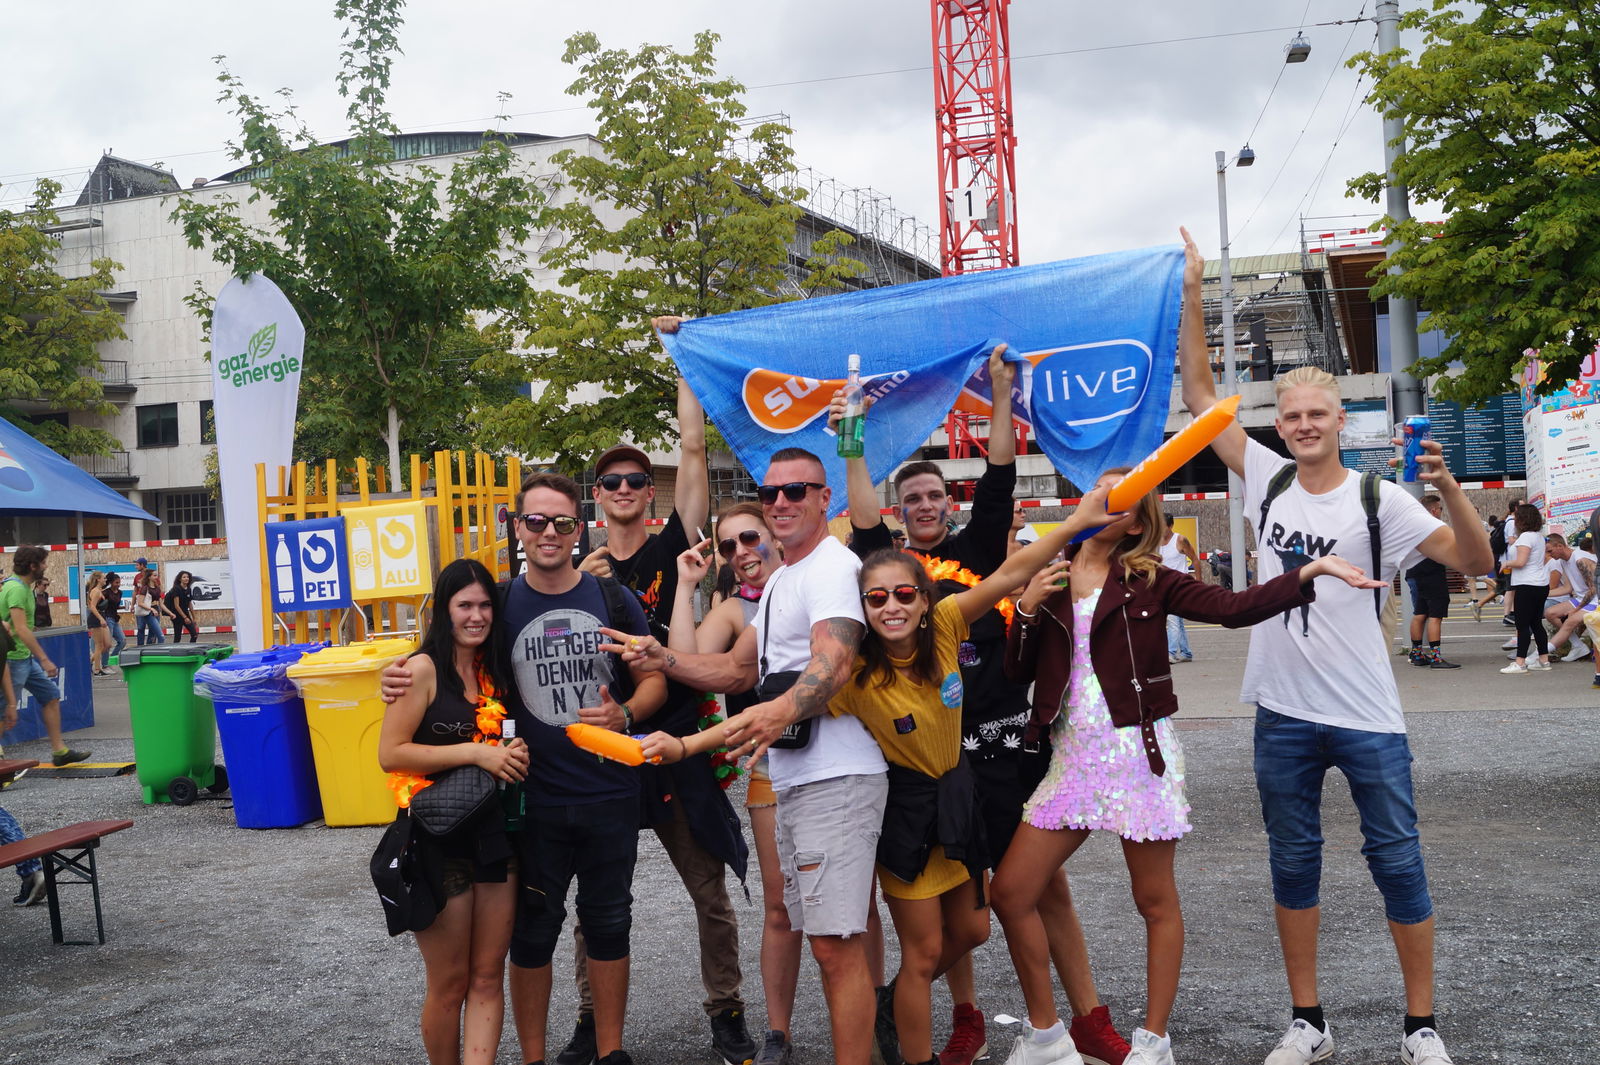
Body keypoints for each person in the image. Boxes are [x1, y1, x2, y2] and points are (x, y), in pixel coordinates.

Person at [651, 486, 1123, 1065]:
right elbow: (762, 714)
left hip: (959, 797)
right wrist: (684, 745)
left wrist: (1074, 523)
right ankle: (911, 1039)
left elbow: (1010, 572)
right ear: (865, 611)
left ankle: (893, 997)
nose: (891, 606)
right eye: (876, 599)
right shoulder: (855, 677)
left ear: (926, 599)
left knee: (974, 931)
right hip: (910, 814)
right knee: (923, 956)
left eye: (904, 594)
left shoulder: (947, 625)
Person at [1176, 225, 1492, 1065]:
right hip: (1281, 710)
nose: (1306, 424)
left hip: (1365, 712)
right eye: (1292, 415)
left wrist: (1452, 489)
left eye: (1318, 413)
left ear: (1340, 421)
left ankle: (1421, 1026)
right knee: (1293, 862)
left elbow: (1475, 561)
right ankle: (1307, 1019)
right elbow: (1203, 392)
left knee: (1398, 859)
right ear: (1277, 425)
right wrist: (1190, 290)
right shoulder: (1265, 477)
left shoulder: (1378, 497)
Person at [994, 468, 1375, 1065]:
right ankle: (1046, 1037)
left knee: (1154, 901)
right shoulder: (1053, 573)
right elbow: (1018, 672)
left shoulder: (1150, 580)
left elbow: (1231, 607)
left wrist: (1309, 572)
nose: (1111, 508)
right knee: (1012, 891)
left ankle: (1154, 1042)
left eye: (1126, 504)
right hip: (1070, 763)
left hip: (1138, 757)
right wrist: (1027, 608)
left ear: (1138, 521)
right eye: (1105, 496)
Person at [839, 358, 1129, 1065]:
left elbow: (1000, 471)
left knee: (1035, 888)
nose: (926, 504)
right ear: (901, 511)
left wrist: (1001, 392)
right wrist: (852, 428)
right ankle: (970, 1016)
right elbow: (859, 502)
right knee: (960, 905)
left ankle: (1079, 1019)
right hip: (940, 762)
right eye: (912, 498)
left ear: (949, 500)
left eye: (936, 493)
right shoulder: (890, 572)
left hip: (1006, 749)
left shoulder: (974, 550)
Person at [605, 448, 882, 1065]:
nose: (782, 502)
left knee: (837, 945)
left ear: (822, 499)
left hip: (834, 775)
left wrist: (767, 720)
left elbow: (833, 661)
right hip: (797, 773)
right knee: (822, 933)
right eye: (772, 492)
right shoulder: (785, 577)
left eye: (796, 492)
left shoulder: (832, 567)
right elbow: (734, 670)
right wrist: (662, 658)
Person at [384, 471, 667, 1065]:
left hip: (609, 791)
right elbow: (446, 652)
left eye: (562, 522)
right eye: (535, 520)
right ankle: (534, 1057)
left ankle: (611, 1052)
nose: (549, 532)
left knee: (611, 921)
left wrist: (629, 712)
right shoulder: (501, 601)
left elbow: (654, 679)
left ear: (578, 528)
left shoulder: (611, 599)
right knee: (533, 932)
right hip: (530, 802)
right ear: (517, 528)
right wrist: (397, 672)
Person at [565, 318, 754, 1065]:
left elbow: (695, 448)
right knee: (598, 902)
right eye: (609, 482)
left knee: (708, 889)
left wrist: (679, 355)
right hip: (604, 744)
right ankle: (588, 1019)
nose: (622, 489)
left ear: (651, 493)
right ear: (596, 497)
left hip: (675, 736)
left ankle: (728, 1011)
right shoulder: (573, 567)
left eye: (634, 480)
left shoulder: (676, 542)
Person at [377, 558, 529, 1065]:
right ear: (444, 610)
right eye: (465, 605)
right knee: (450, 983)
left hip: (493, 837)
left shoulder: (494, 671)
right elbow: (391, 753)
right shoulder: (420, 670)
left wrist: (511, 755)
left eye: (485, 604)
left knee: (488, 975)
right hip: (437, 840)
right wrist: (476, 752)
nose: (477, 615)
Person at [667, 502, 800, 1065]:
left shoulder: (812, 584)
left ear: (775, 534)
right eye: (728, 546)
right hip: (769, 765)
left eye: (750, 538)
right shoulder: (731, 610)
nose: (741, 552)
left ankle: (871, 1010)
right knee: (779, 905)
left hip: (837, 758)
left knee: (855, 907)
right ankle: (775, 1033)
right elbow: (683, 660)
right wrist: (684, 585)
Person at [3, 546, 90, 766]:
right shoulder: (16, 589)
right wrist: (44, 658)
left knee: (50, 695)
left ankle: (59, 751)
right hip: (12, 658)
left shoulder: (24, 588)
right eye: (43, 562)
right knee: (5, 712)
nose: (46, 566)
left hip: (23, 657)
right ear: (32, 566)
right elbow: (21, 629)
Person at [1403, 497, 1460, 669]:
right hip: (1433, 574)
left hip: (1415, 573)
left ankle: (1417, 653)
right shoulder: (1434, 527)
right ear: (1434, 510)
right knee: (1436, 616)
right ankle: (1436, 657)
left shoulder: (1412, 527)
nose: (1441, 512)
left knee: (1420, 613)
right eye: (1440, 509)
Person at [1500, 504, 1553, 674]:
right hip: (1540, 583)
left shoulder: (1524, 538)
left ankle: (1520, 662)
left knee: (1522, 625)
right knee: (1536, 623)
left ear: (1521, 520)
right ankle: (1543, 660)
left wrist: (1507, 563)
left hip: (1526, 584)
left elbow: (1521, 562)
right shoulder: (1538, 536)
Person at [1544, 535, 1596, 662]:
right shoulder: (1563, 561)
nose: (1548, 555)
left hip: (1596, 599)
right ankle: (1578, 646)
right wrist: (1542, 594)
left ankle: (1540, 654)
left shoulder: (1580, 559)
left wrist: (1576, 609)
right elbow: (1567, 588)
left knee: (1570, 620)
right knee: (1550, 613)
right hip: (1583, 597)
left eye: (1550, 551)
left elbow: (1594, 589)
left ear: (1560, 546)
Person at [1158, 515, 1200, 664]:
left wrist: (1198, 583)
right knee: (1178, 620)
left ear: (1170, 526)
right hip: (1162, 586)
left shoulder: (1180, 540)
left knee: (1172, 620)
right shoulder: (1155, 542)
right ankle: (1186, 652)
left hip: (1178, 586)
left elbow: (1195, 559)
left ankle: (1170, 652)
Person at [83, 571, 113, 675]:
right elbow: (92, 607)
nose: (105, 580)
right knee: (99, 645)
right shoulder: (95, 591)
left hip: (101, 617)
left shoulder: (99, 590)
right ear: (98, 579)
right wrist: (100, 619)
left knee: (107, 645)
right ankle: (97, 670)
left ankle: (89, 662)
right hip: (96, 618)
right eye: (104, 578)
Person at [166, 571, 199, 643]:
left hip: (185, 613)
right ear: (180, 579)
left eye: (187, 577)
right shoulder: (176, 589)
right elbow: (176, 606)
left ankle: (191, 650)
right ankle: (175, 652)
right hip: (177, 615)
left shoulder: (189, 589)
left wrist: (194, 618)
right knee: (178, 637)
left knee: (194, 634)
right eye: (184, 577)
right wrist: (185, 617)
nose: (186, 578)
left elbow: (190, 604)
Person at [133, 571, 165, 646]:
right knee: (160, 636)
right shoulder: (144, 588)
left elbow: (161, 603)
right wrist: (151, 609)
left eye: (157, 575)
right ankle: (141, 647)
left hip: (156, 610)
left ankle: (149, 651)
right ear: (149, 577)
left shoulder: (157, 588)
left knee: (153, 634)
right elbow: (140, 602)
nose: (156, 577)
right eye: (154, 575)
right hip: (149, 612)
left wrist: (170, 613)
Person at [101, 573, 127, 664]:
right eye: (116, 582)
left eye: (119, 582)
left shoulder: (120, 593)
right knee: (107, 643)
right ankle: (104, 663)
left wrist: (123, 607)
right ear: (111, 583)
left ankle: (111, 659)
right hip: (107, 618)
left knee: (122, 641)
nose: (118, 584)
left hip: (115, 618)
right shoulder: (106, 592)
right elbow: (100, 606)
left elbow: (115, 606)